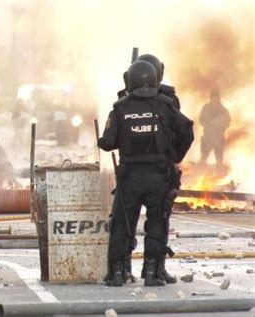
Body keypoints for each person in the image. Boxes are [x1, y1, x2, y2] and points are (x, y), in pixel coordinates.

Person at [98, 60, 194, 287]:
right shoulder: (165, 104)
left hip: (130, 177)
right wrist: (175, 156)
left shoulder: (120, 107)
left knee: (122, 224)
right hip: (158, 177)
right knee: (157, 224)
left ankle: (117, 273)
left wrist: (107, 139)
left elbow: (108, 143)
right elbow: (187, 130)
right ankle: (152, 273)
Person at [121, 54, 186, 284]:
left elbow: (180, 130)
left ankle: (151, 268)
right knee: (138, 221)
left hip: (152, 168)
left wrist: (173, 156)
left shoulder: (167, 99)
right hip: (150, 170)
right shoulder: (128, 99)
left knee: (152, 220)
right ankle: (136, 268)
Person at [199, 89, 230, 166]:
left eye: (216, 97)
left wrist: (218, 126)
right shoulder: (206, 108)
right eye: (213, 97)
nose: (214, 99)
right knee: (203, 158)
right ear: (211, 98)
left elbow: (227, 122)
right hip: (207, 137)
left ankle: (219, 173)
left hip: (219, 137)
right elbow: (201, 119)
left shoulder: (223, 110)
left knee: (219, 160)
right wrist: (208, 124)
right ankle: (199, 172)